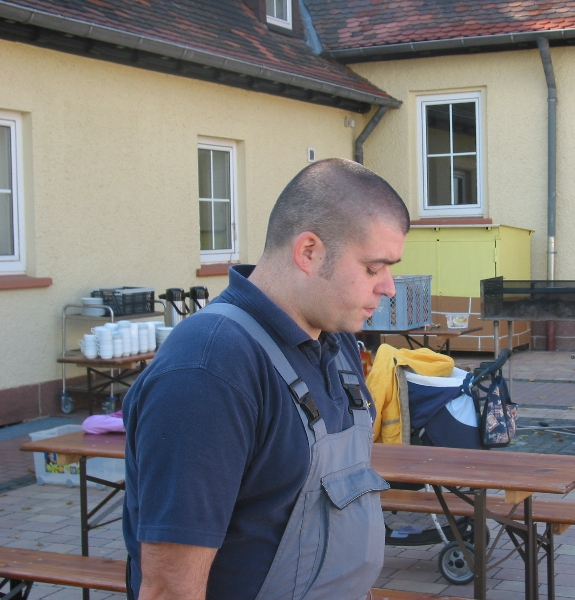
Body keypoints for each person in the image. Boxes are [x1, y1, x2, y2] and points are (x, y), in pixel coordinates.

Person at [122, 158, 410, 600]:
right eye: (374, 268)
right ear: (308, 251)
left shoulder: (336, 343)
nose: (388, 287)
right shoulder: (209, 368)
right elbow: (168, 588)